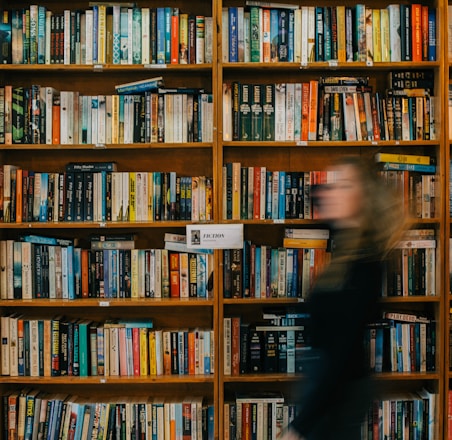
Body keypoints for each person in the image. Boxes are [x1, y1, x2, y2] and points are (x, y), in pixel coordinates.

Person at [280, 156, 406, 440]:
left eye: (344, 186)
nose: (330, 193)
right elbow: (318, 197)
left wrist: (299, 427)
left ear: (363, 196)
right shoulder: (348, 239)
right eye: (332, 185)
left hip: (339, 389)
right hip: (327, 382)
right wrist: (334, 184)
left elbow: (340, 355)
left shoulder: (365, 263)